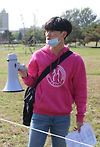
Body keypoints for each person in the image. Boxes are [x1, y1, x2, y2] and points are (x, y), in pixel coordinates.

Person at [18, 17, 87, 147]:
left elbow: (81, 91)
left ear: (64, 34)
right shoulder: (38, 55)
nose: (48, 35)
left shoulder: (75, 60)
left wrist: (80, 117)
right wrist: (25, 75)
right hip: (39, 114)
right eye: (47, 31)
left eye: (53, 31)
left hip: (62, 117)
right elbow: (33, 82)